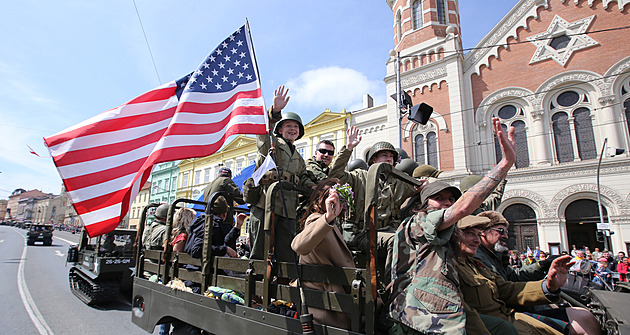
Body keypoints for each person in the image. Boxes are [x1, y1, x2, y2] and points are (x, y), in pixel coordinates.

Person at [388, 117, 520, 334]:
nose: (447, 202)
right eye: (439, 198)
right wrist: (504, 164)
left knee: (504, 329)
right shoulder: (418, 222)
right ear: (421, 205)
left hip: (444, 312)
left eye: (451, 198)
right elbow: (462, 209)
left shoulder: (449, 231)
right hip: (416, 320)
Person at [455, 221, 602, 335]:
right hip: (503, 322)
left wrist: (549, 286)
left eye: (477, 233)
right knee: (582, 322)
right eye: (470, 233)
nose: (477, 239)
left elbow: (506, 287)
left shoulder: (474, 262)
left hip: (512, 315)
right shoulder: (457, 264)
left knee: (586, 318)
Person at [327, 126, 418, 284]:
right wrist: (348, 149)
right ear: (373, 160)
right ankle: (394, 287)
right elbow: (335, 176)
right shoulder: (360, 176)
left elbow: (418, 189)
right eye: (384, 155)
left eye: (391, 156)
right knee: (396, 240)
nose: (389, 159)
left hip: (388, 230)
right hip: (363, 233)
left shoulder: (397, 181)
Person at [247, 85, 316, 262]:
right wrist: (275, 111)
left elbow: (303, 176)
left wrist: (313, 186)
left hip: (288, 207)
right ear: (279, 129)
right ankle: (255, 285)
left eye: (296, 127)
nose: (293, 129)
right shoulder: (272, 143)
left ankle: (283, 285)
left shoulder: (299, 158)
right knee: (260, 250)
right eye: (288, 126)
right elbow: (263, 131)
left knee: (287, 251)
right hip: (265, 203)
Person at [291, 178, 355, 330]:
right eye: (328, 196)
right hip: (326, 304)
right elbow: (298, 245)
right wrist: (328, 217)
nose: (333, 202)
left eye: (338, 198)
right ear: (319, 200)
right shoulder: (317, 219)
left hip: (332, 298)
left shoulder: (332, 224)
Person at [474, 211, 546, 281]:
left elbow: (513, 275)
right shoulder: (477, 257)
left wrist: (540, 266)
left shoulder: (496, 255)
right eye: (501, 231)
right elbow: (501, 287)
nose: (506, 236)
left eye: (506, 232)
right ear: (483, 231)